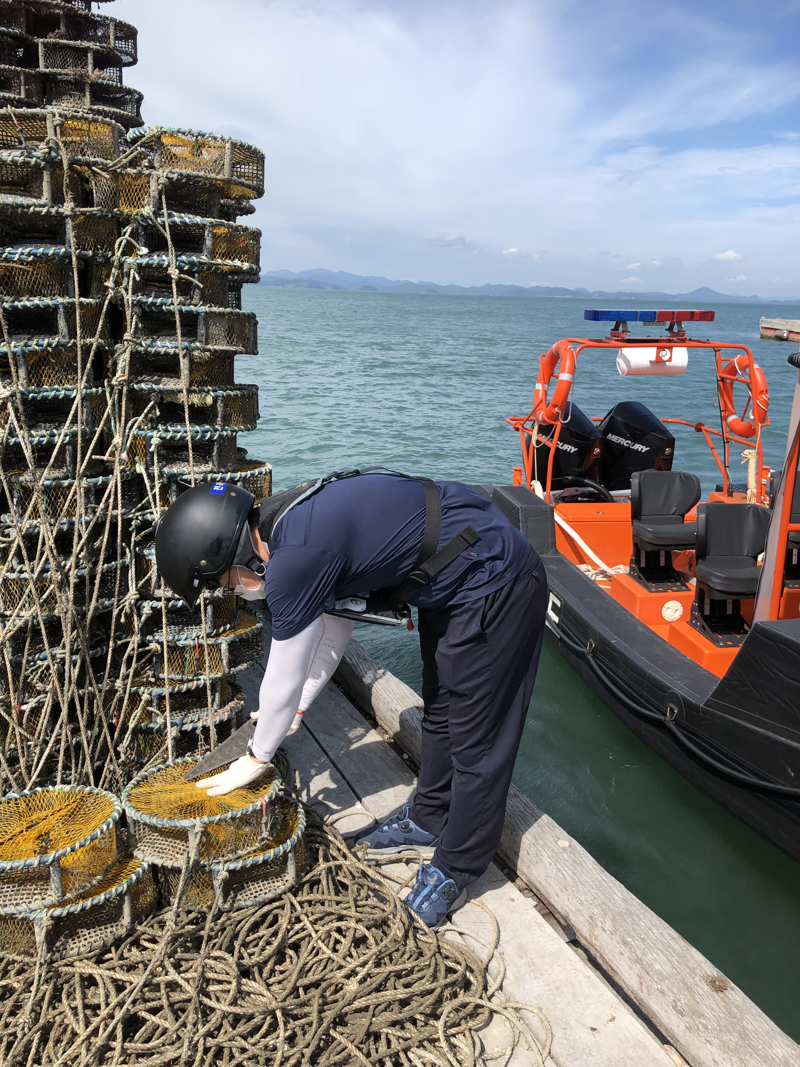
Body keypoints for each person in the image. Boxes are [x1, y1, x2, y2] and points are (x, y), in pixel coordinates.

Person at [154, 470, 547, 929]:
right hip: (453, 576)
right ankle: (429, 816)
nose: (235, 591)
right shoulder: (280, 525)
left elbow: (283, 668)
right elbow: (333, 629)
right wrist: (297, 706)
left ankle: (457, 866)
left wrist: (258, 754)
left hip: (495, 578)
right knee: (440, 711)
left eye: (225, 583)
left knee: (479, 738)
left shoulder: (294, 561)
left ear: (228, 551)